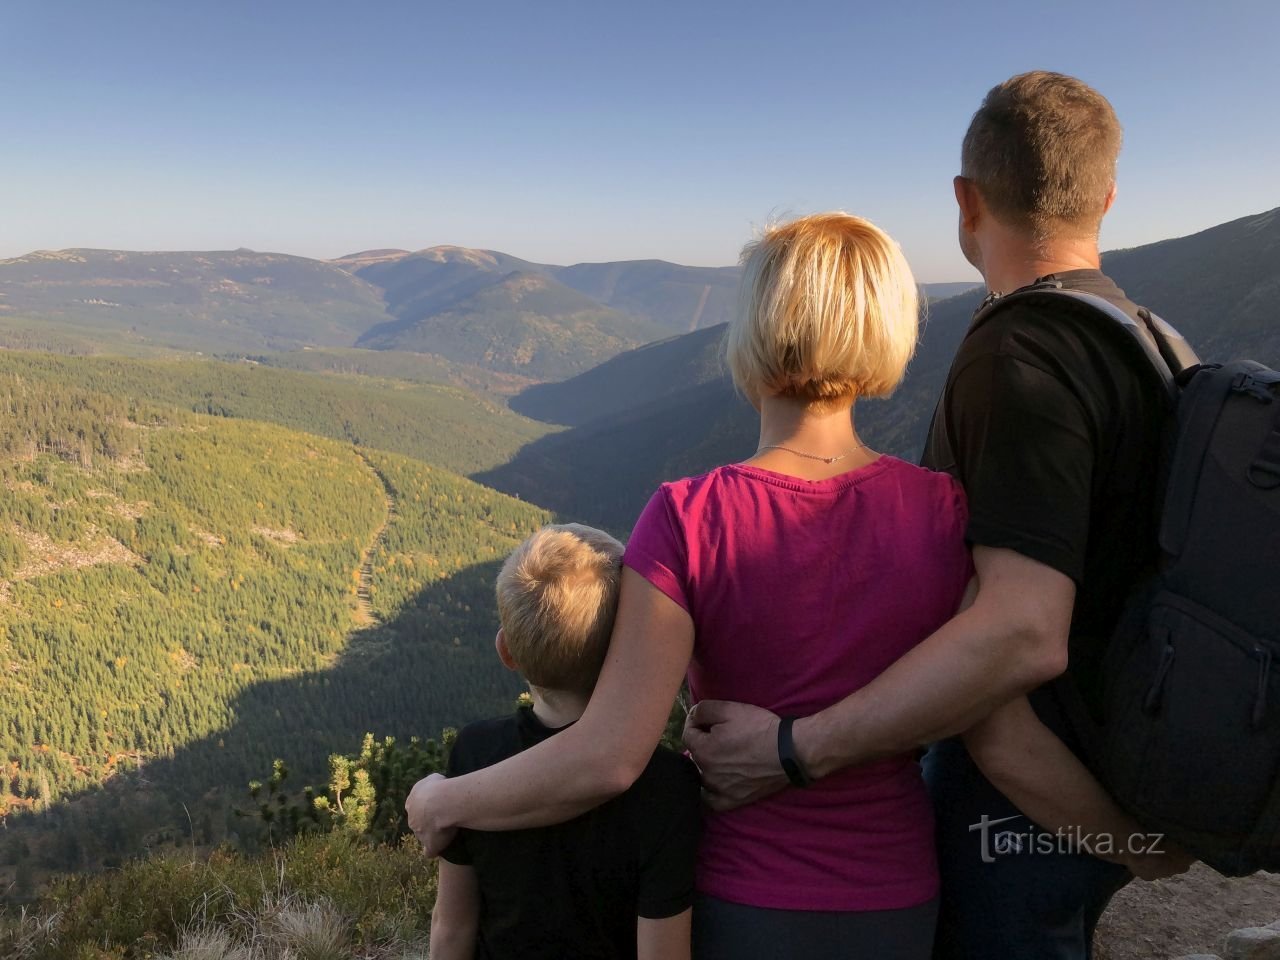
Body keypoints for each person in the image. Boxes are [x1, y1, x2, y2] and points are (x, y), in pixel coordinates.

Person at [678, 71, 1193, 960]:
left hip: (1024, 803)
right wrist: (1134, 841)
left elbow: (1021, 636)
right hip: (1115, 765)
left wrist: (795, 749)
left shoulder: (1021, 352)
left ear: (964, 201)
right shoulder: (1150, 341)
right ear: (1107, 195)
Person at [412, 212, 975, 959]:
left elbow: (609, 756)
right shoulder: (943, 510)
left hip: (742, 889)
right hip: (895, 891)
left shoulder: (690, 517)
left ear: (753, 332)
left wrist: (443, 798)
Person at [427, 523, 701, 960]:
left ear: (506, 652)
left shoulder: (475, 755)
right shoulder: (668, 785)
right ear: (626, 645)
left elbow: (451, 926)